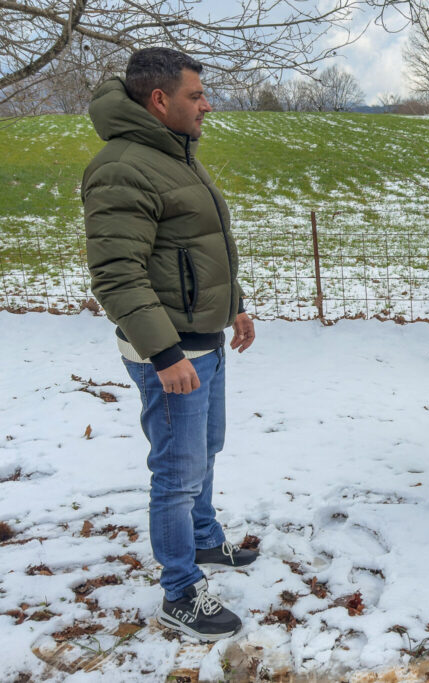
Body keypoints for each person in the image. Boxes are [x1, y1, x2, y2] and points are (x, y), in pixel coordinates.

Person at [82, 47, 257, 640]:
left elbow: (199, 245)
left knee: (206, 450)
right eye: (195, 95)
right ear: (160, 100)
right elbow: (117, 275)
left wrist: (234, 306)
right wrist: (164, 354)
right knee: (177, 475)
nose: (207, 105)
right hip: (172, 353)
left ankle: (203, 540)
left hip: (202, 342)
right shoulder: (123, 166)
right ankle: (180, 592)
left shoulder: (175, 154)